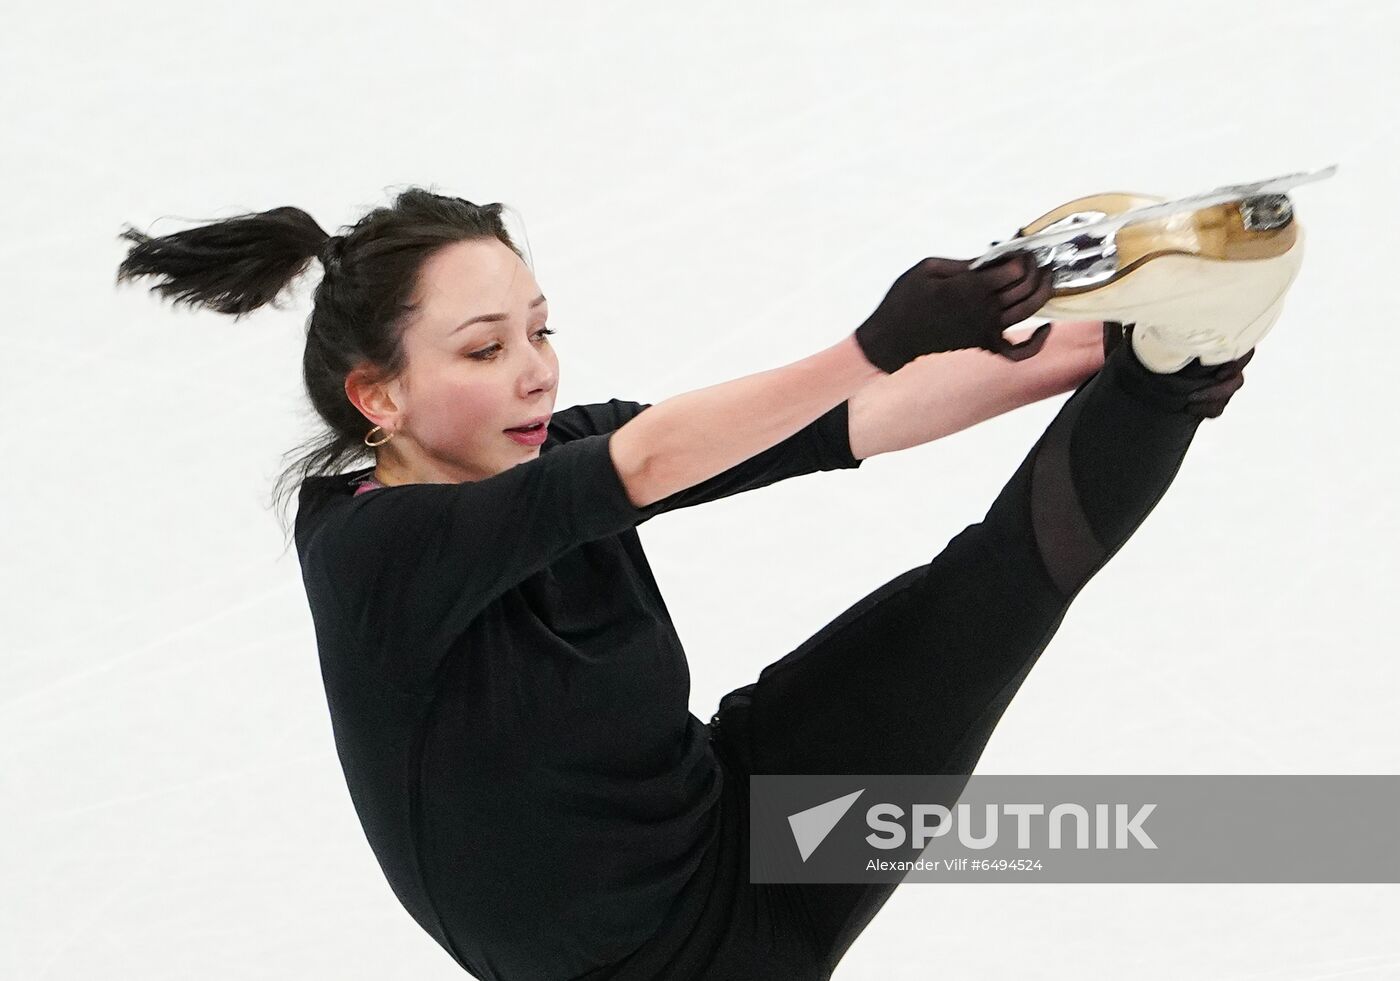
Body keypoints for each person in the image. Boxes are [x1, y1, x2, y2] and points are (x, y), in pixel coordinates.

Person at [115, 189, 1253, 980]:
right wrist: (878, 335)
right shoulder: (378, 554)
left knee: (997, 587)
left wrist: (1114, 343)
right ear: (378, 400)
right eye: (482, 349)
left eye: (539, 329)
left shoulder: (556, 446)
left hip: (745, 820)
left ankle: (1169, 373)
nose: (534, 369)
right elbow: (657, 459)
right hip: (660, 970)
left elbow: (847, 420)